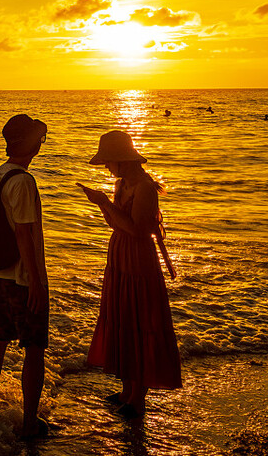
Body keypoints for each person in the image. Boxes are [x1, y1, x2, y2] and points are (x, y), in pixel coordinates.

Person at [80, 130, 182, 419]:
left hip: (138, 259)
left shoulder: (145, 188)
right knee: (121, 317)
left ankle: (137, 398)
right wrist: (103, 204)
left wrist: (104, 203)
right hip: (119, 254)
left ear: (122, 160)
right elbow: (115, 224)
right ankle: (126, 391)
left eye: (108, 162)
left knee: (139, 322)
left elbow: (138, 229)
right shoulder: (121, 183)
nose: (107, 168)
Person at [0, 113, 51, 438]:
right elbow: (24, 233)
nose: (41, 144)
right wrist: (36, 282)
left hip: (1, 274)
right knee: (34, 348)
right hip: (23, 278)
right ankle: (28, 423)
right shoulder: (23, 181)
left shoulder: (0, 174)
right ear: (31, 145)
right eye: (40, 138)